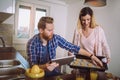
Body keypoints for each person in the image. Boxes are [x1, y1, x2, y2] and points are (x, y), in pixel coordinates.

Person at [27, 16, 103, 77]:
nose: (52, 32)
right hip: (39, 76)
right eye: (49, 30)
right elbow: (33, 66)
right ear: (41, 30)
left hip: (54, 74)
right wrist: (45, 66)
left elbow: (73, 47)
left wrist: (91, 56)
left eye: (53, 29)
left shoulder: (55, 38)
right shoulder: (32, 43)